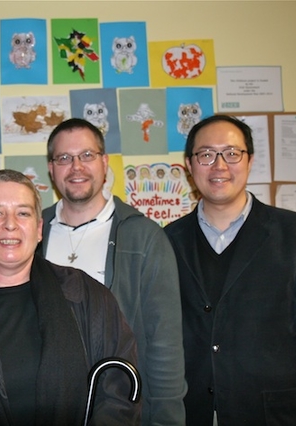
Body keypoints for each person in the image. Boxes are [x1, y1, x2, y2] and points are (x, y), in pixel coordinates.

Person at [0, 169, 140, 425]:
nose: (10, 224)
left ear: (39, 229)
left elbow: (119, 393)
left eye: (23, 213)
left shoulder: (85, 294)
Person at [164, 114, 296, 425]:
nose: (219, 165)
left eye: (232, 153)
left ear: (249, 162)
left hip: (277, 414)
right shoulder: (167, 241)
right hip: (193, 412)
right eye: (206, 154)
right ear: (189, 165)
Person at [40, 118, 187, 425]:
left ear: (104, 163)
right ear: (51, 168)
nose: (76, 167)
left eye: (87, 156)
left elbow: (165, 345)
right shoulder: (31, 234)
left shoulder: (144, 238)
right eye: (64, 158)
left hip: (122, 412)